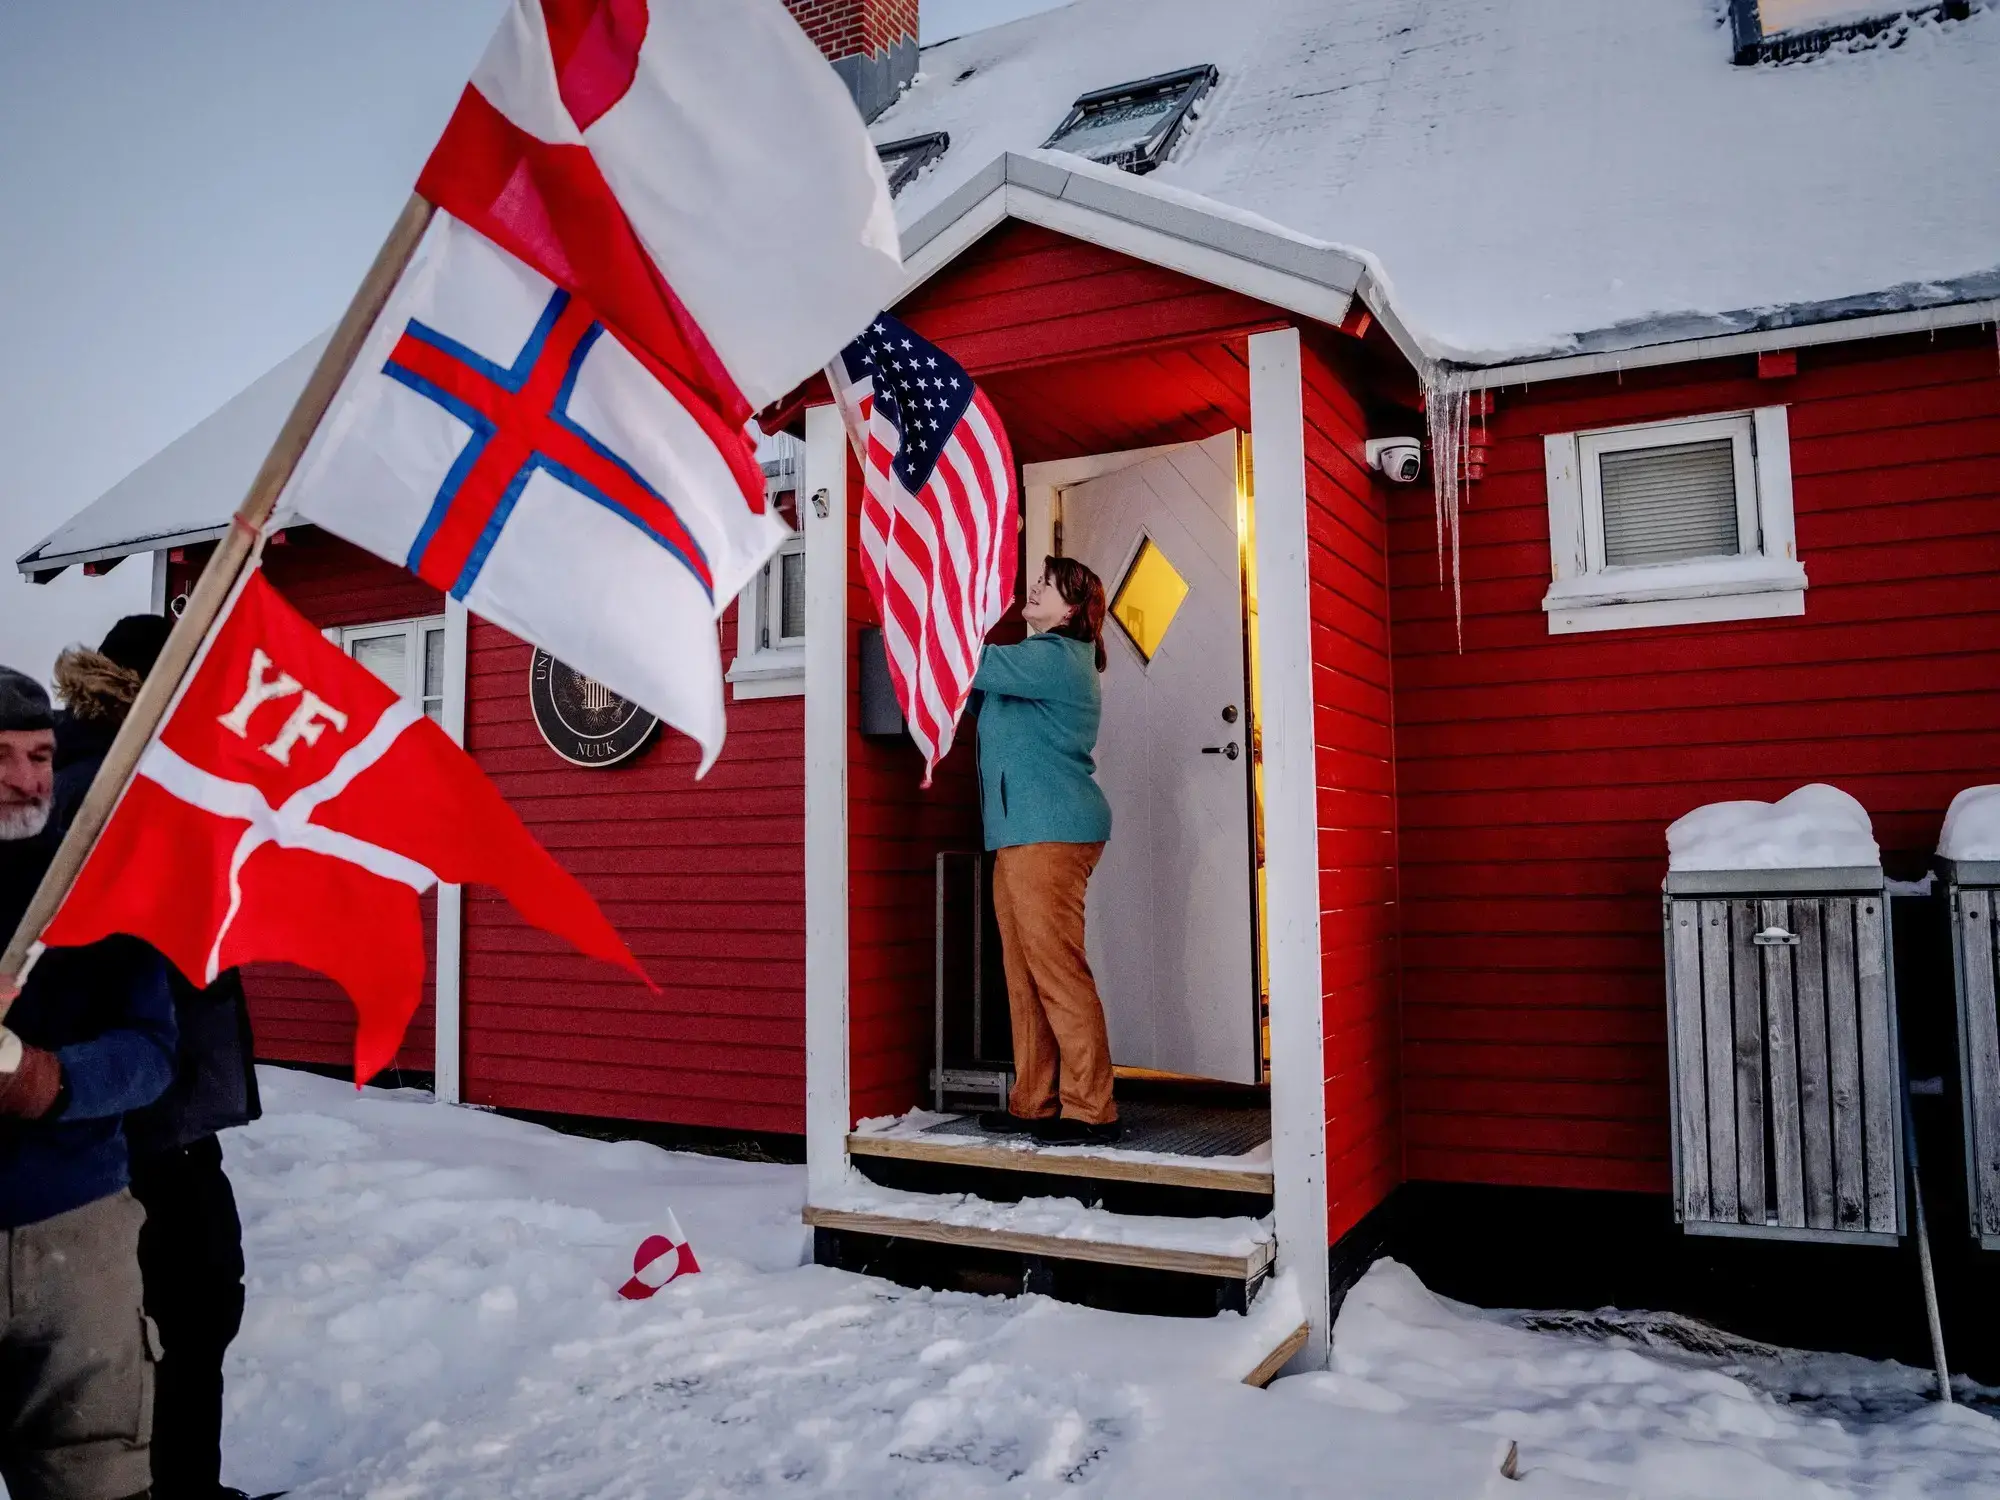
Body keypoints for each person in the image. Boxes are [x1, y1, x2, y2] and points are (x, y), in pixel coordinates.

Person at [52, 619, 263, 1500]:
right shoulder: (105, 789)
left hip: (160, 1112)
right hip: (126, 1122)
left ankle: (187, 1491)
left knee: (193, 1309)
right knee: (172, 1316)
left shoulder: (160, 775)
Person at [0, 663, 177, 1500]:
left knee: (98, 1481)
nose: (24, 780)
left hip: (78, 1234)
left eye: (38, 755)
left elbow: (151, 1051)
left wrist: (45, 1078)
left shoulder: (94, 879)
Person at [972, 558, 1122, 1146]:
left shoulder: (1054, 658)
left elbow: (972, 663)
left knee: (1057, 971)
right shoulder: (1036, 660)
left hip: (1050, 832)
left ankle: (1091, 1108)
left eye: (1048, 585)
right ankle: (1033, 1101)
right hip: (1020, 833)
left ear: (1071, 611)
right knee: (1023, 973)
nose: (1034, 588)